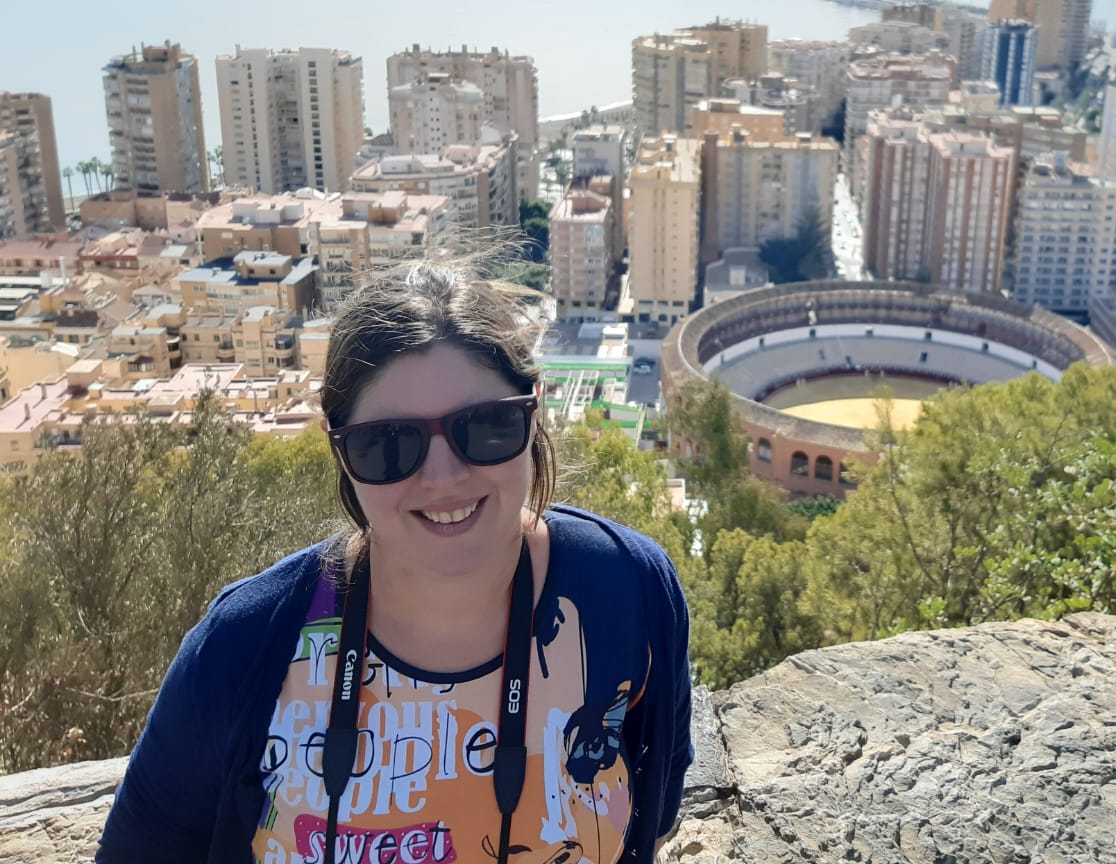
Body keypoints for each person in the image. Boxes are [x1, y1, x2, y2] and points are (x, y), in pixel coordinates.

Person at [99, 257, 694, 864]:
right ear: (341, 452)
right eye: (388, 444)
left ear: (532, 413)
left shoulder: (628, 591)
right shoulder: (244, 644)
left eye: (484, 426)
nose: (443, 476)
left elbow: (656, 803)